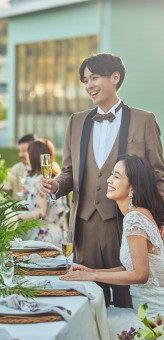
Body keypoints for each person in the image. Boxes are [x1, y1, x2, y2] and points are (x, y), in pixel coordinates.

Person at [41, 53, 164, 308]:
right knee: (86, 301)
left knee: (128, 303)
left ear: (115, 77)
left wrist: (158, 221)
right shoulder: (76, 121)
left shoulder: (144, 120)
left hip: (126, 229)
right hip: (84, 227)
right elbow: (68, 171)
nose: (89, 85)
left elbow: (158, 177)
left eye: (94, 77)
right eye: (85, 80)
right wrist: (56, 186)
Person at [61, 155, 164, 337]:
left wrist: (92, 275)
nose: (109, 180)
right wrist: (90, 271)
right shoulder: (140, 214)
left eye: (116, 176)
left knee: (87, 324)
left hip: (152, 321)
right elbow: (132, 267)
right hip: (149, 313)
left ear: (132, 187)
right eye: (111, 174)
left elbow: (140, 275)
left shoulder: (134, 218)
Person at [19, 139, 68, 246]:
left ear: (33, 158)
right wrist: (30, 194)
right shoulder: (56, 178)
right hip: (60, 233)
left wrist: (18, 217)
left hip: (46, 237)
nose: (27, 160)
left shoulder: (39, 181)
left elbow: (41, 212)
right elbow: (47, 201)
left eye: (28, 156)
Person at [4, 133, 37, 200]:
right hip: (21, 209)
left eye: (24, 151)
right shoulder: (16, 169)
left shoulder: (47, 169)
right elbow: (4, 190)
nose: (20, 154)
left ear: (34, 150)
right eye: (19, 151)